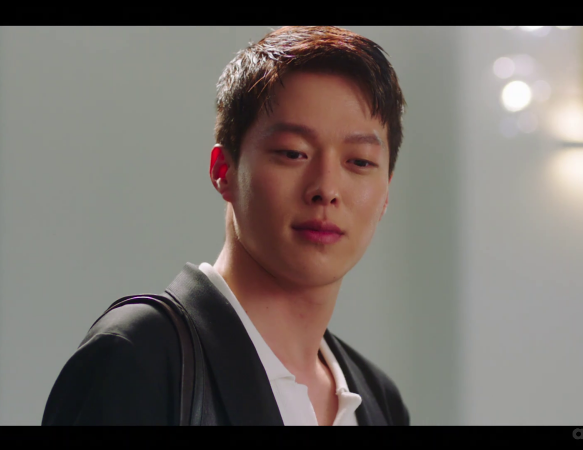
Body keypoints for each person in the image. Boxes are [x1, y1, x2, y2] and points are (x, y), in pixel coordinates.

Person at [42, 25, 409, 426]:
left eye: (359, 162)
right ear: (223, 170)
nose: (326, 189)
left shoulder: (379, 403)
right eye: (293, 153)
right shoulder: (139, 355)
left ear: (386, 193)